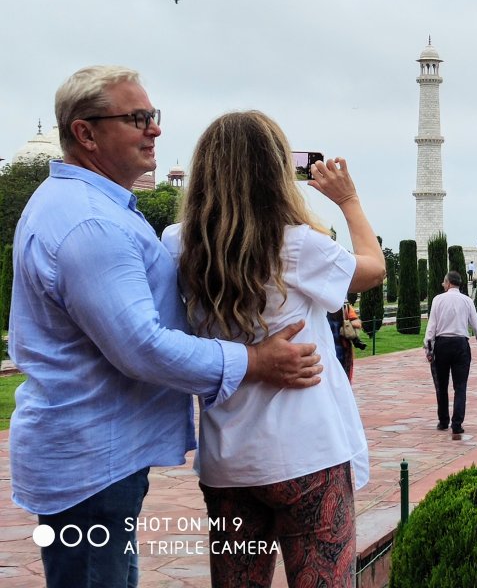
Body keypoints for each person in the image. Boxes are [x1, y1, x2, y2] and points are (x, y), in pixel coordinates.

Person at [8, 66, 321, 588]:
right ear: (85, 133)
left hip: (95, 455)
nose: (154, 129)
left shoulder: (90, 208)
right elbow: (141, 347)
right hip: (93, 462)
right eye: (137, 119)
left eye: (152, 116)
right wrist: (255, 361)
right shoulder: (92, 224)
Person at [163, 110, 386, 587]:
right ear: (276, 173)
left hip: (227, 459)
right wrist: (348, 201)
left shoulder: (179, 244)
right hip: (306, 452)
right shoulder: (296, 245)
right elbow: (372, 268)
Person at [424, 271, 477, 435]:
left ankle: (443, 421)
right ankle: (457, 424)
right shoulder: (467, 301)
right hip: (460, 345)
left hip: (442, 344)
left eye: (444, 282)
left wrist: (428, 348)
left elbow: (431, 326)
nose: (443, 285)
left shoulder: (438, 300)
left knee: (441, 386)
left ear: (448, 283)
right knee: (460, 387)